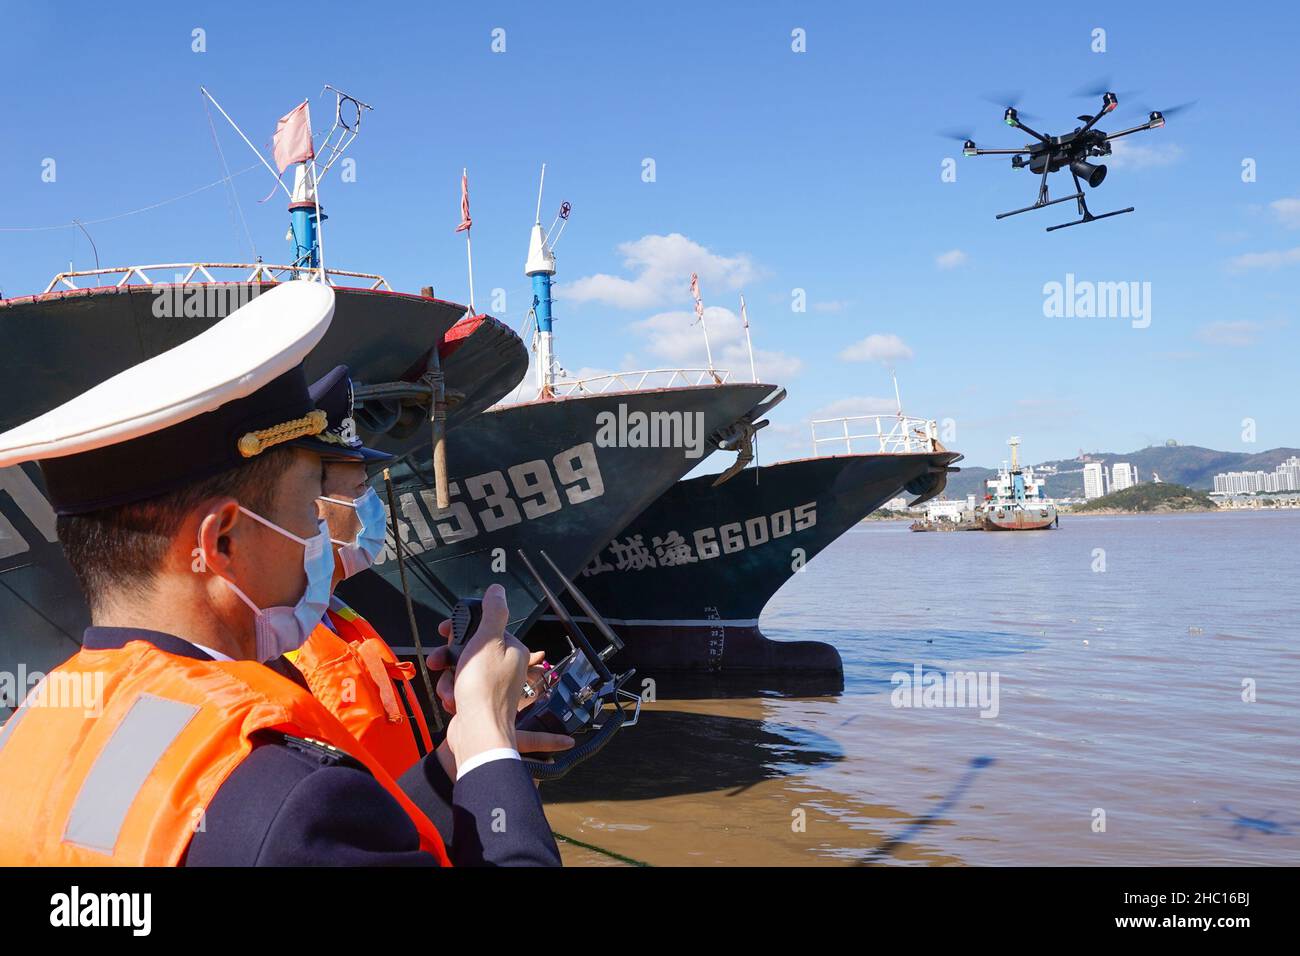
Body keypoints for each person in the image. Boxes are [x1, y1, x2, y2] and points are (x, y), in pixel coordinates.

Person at [0, 282, 560, 866]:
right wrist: (493, 746)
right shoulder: (290, 800)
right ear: (221, 542)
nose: (318, 532)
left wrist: (456, 763)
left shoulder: (39, 730)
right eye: (305, 508)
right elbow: (286, 830)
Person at [285, 365, 572, 784]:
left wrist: (480, 729)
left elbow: (392, 780)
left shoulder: (337, 619)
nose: (371, 505)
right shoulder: (266, 655)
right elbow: (335, 830)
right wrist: (489, 764)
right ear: (313, 509)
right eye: (359, 489)